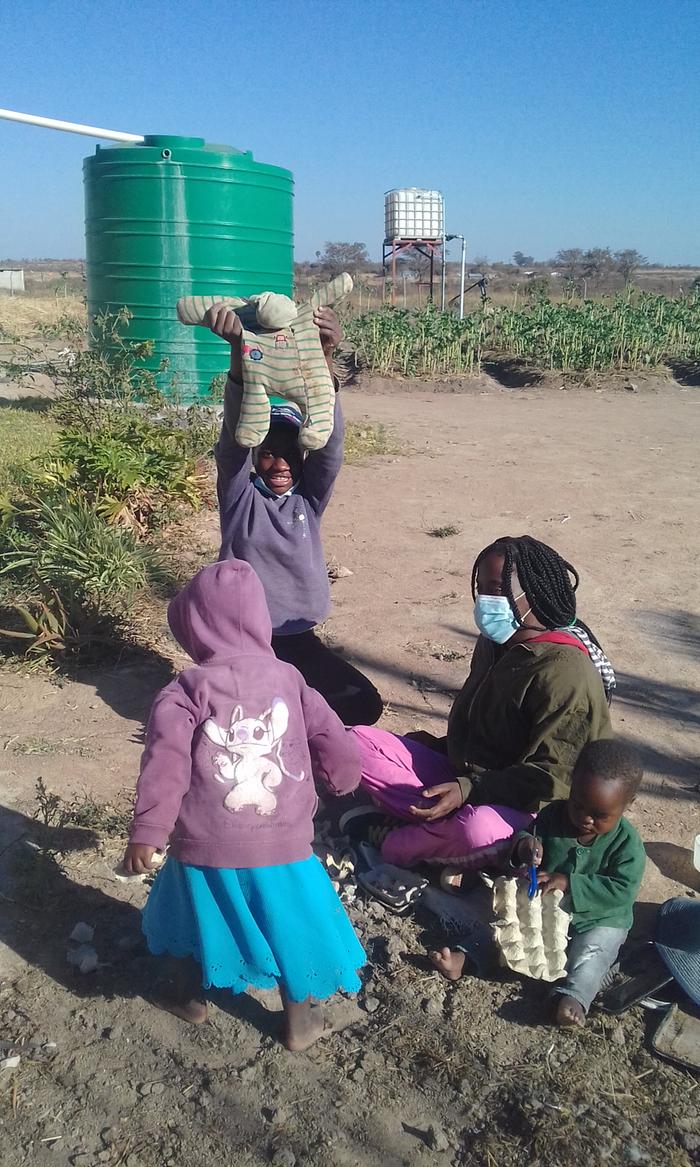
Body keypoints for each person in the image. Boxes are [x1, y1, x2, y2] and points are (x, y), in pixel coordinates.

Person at [122, 558, 365, 1052]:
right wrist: (345, 779)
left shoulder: (185, 688)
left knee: (192, 916)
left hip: (202, 842)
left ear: (193, 626)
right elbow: (330, 733)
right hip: (283, 844)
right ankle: (299, 1024)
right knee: (290, 925)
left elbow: (165, 763)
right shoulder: (290, 679)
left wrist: (148, 830)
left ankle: (190, 1000)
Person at [342, 535, 615, 877]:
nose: (487, 600)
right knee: (356, 742)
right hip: (468, 777)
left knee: (476, 830)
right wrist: (440, 750)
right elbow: (484, 726)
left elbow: (555, 781)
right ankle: (440, 831)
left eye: (498, 590)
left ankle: (401, 840)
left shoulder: (565, 671)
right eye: (483, 588)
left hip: (527, 804)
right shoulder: (495, 643)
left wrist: (471, 790)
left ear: (534, 592)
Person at [204, 302, 383, 727]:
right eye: (268, 454)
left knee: (365, 706)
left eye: (289, 454)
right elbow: (233, 441)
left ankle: (286, 701)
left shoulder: (307, 501)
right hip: (245, 643)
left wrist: (323, 360)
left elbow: (331, 449)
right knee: (245, 717)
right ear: (255, 459)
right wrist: (238, 355)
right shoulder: (240, 498)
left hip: (296, 637)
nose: (280, 463)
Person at [431, 740, 646, 1027]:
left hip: (599, 917)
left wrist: (569, 882)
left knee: (593, 954)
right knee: (507, 928)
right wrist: (525, 847)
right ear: (571, 787)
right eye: (578, 805)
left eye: (600, 815)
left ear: (626, 805)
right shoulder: (552, 816)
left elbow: (621, 892)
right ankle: (468, 958)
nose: (585, 818)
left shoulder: (627, 845)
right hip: (545, 905)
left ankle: (573, 997)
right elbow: (525, 838)